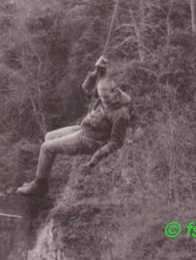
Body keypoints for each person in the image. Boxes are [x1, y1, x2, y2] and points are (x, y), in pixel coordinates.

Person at [16, 56, 131, 196]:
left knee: (46, 148)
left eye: (105, 98)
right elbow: (86, 87)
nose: (103, 101)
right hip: (86, 129)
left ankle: (40, 186)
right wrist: (97, 71)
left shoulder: (120, 114)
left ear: (115, 91)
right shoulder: (105, 93)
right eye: (101, 98)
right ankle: (41, 178)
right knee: (49, 136)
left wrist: (95, 159)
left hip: (91, 142)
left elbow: (117, 142)